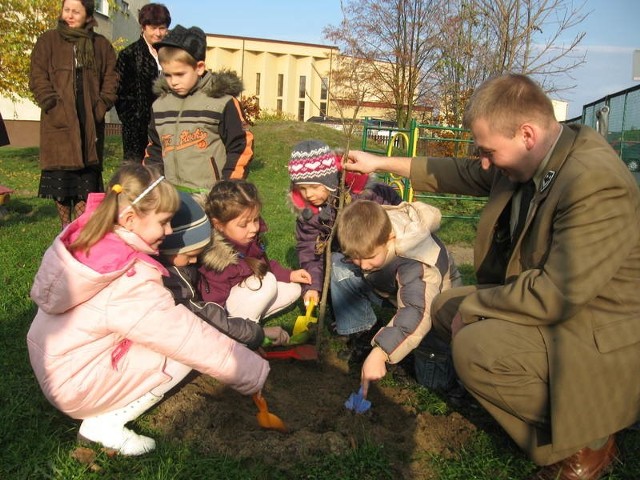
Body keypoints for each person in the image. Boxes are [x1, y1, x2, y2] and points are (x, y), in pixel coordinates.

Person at [344, 73, 640, 480]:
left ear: (526, 134)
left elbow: (557, 293)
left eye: (488, 151)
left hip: (594, 326)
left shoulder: (593, 182)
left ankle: (585, 441)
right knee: (447, 306)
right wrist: (379, 161)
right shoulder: (535, 157)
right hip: (555, 305)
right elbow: (460, 172)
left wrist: (479, 307)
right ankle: (552, 410)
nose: (484, 162)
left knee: (476, 348)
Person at [27, 164, 270, 456]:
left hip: (57, 362)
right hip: (76, 385)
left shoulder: (94, 241)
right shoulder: (130, 281)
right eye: (164, 222)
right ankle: (103, 425)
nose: (169, 231)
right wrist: (252, 371)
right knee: (177, 353)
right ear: (130, 218)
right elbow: (187, 338)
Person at [335, 199, 458, 396]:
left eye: (369, 257)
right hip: (394, 288)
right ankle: (366, 333)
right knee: (338, 267)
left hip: (435, 303)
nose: (363, 265)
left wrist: (381, 352)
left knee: (433, 380)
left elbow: (416, 310)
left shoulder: (414, 261)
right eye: (356, 258)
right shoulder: (373, 232)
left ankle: (440, 364)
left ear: (390, 239)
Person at [157, 191, 288, 349]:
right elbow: (206, 316)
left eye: (255, 220)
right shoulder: (175, 277)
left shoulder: (182, 266)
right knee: (267, 282)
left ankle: (244, 331)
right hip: (209, 318)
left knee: (284, 287)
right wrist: (256, 334)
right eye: (190, 255)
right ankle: (243, 336)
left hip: (215, 314)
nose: (195, 260)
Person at [29, 0, 118, 230]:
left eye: (75, 11)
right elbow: (37, 76)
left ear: (88, 15)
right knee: (61, 182)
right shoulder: (48, 41)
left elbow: (111, 79)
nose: (69, 15)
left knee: (84, 184)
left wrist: (101, 106)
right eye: (66, 10)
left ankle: (79, 232)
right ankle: (64, 229)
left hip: (89, 122)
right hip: (58, 123)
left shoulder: (101, 45)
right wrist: (52, 105)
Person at [287, 139, 402, 309]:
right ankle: (358, 326)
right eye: (302, 189)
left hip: (381, 255)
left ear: (330, 181)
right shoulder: (309, 215)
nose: (308, 194)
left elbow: (398, 215)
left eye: (314, 187)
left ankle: (392, 298)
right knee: (336, 264)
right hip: (349, 260)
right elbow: (309, 249)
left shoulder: (365, 196)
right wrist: (313, 287)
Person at [145, 25, 254, 192]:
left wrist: (227, 186)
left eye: (180, 74)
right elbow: (154, 149)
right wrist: (150, 183)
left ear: (199, 67)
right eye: (167, 75)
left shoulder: (222, 102)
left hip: (211, 196)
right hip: (170, 196)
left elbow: (241, 146)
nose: (173, 81)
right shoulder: (160, 106)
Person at [198, 179, 311, 329]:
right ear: (218, 225)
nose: (253, 228)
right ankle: (247, 329)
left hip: (244, 294)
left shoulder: (246, 239)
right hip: (224, 315)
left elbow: (261, 264)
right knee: (267, 282)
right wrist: (227, 329)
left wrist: (290, 275)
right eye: (244, 224)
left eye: (256, 219)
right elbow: (214, 304)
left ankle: (251, 319)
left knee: (293, 288)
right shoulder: (217, 259)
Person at [115, 3, 171, 164]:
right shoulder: (129, 55)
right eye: (153, 28)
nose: (158, 33)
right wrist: (134, 120)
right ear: (143, 27)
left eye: (162, 28)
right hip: (138, 130)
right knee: (138, 176)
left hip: (169, 125)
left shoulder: (172, 54)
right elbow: (120, 95)